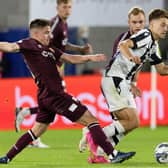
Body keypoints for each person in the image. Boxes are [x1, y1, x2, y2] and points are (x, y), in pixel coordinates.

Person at [0, 19, 135, 164]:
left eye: (49, 32)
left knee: (36, 130)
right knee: (91, 120)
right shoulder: (29, 44)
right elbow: (10, 46)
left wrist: (89, 57)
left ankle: (7, 157)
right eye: (46, 33)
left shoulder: (50, 49)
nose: (49, 36)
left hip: (46, 96)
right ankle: (113, 154)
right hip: (56, 95)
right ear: (35, 33)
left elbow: (69, 58)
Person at [79, 8, 168, 163]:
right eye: (163, 25)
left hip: (121, 81)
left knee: (130, 124)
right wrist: (131, 57)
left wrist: (133, 82)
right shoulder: (145, 35)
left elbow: (161, 69)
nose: (165, 29)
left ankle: (99, 152)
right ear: (152, 25)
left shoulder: (153, 45)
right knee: (131, 121)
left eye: (167, 26)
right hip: (115, 79)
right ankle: (93, 133)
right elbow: (123, 45)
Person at [14, 0, 93, 148]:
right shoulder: (55, 23)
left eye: (70, 7)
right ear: (57, 8)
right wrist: (55, 67)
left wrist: (80, 49)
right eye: (64, 7)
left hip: (57, 67)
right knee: (57, 100)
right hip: (51, 68)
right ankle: (89, 127)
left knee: (54, 102)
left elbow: (63, 45)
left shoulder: (64, 24)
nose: (67, 10)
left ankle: (27, 114)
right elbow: (46, 45)